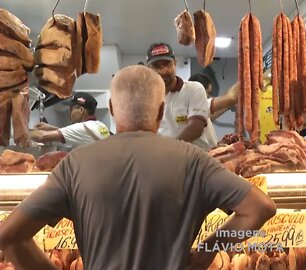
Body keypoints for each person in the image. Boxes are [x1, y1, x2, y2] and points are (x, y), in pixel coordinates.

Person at [0, 65, 276, 270]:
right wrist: (207, 252)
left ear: (111, 107)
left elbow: (9, 237)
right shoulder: (194, 160)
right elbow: (260, 208)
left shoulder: (75, 164)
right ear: (159, 112)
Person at [146, 42, 211, 150]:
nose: (163, 71)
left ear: (175, 63)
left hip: (197, 160)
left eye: (167, 64)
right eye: (156, 66)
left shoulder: (193, 89)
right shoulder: (147, 99)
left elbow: (196, 127)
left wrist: (170, 151)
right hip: (167, 162)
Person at [30, 92, 110, 147]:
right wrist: (51, 128)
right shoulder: (100, 125)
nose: (69, 113)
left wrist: (21, 132)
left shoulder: (82, 127)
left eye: (71, 109)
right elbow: (76, 134)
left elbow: (42, 136)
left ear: (81, 110)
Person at [188, 73, 239, 149]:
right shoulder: (197, 104)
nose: (208, 97)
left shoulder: (187, 106)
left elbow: (210, 116)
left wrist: (228, 106)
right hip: (202, 157)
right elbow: (230, 97)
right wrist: (245, 77)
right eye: (208, 93)